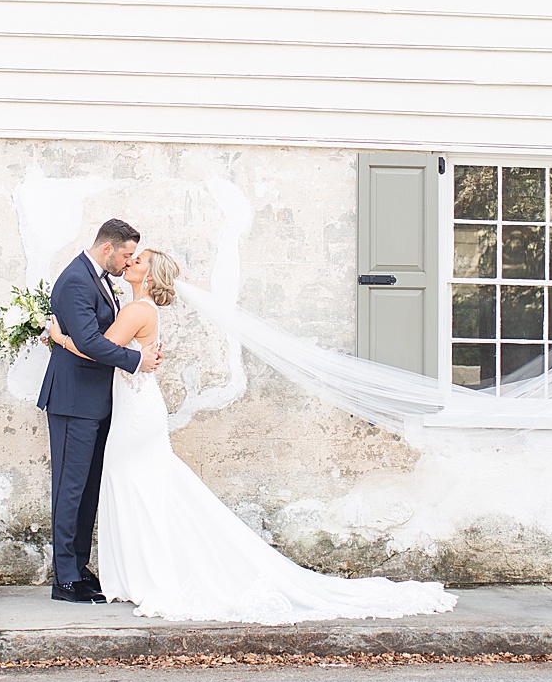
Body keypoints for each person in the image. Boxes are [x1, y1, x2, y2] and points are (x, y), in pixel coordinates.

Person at [48, 248, 456, 624]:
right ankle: (137, 574)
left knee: (134, 483)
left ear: (150, 276)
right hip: (135, 405)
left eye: (138, 260)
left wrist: (59, 337)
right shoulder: (134, 305)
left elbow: (97, 348)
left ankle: (149, 575)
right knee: (135, 485)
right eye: (132, 257)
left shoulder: (138, 308)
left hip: (136, 412)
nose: (130, 262)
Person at [37, 219, 163, 603]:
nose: (128, 263)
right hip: (74, 401)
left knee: (87, 488)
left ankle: (78, 567)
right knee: (70, 488)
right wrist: (135, 360)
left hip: (96, 401)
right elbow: (91, 342)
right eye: (126, 255)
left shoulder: (100, 279)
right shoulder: (77, 279)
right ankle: (66, 580)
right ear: (107, 248)